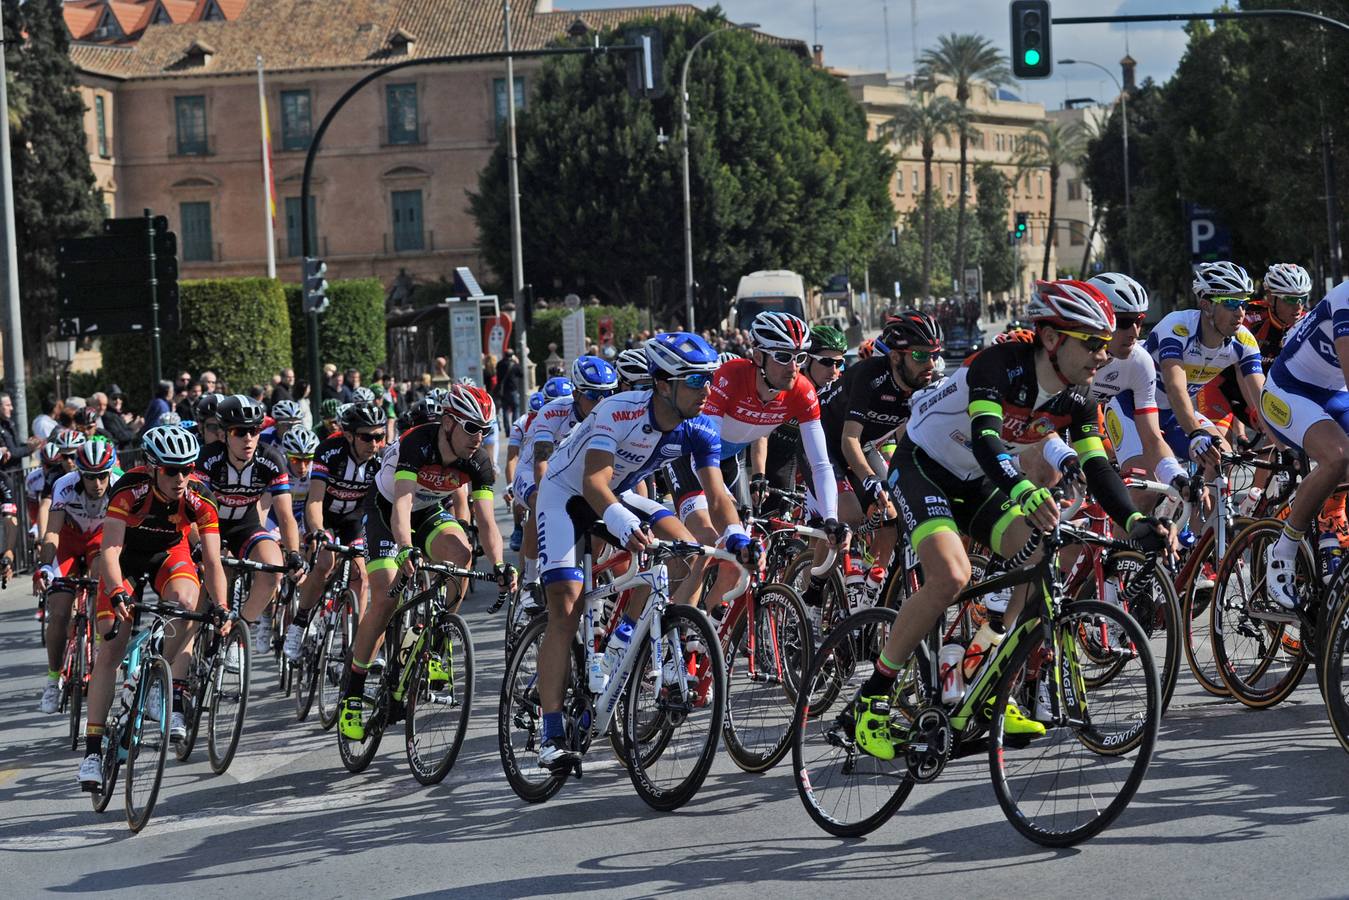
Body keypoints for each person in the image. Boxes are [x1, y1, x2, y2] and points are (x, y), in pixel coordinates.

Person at [858, 281, 1170, 758]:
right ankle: (872, 699)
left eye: (1107, 345)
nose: (1103, 356)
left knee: (1044, 557)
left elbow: (1098, 468)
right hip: (922, 464)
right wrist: (1024, 492)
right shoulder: (1000, 365)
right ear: (1052, 339)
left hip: (976, 480)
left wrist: (1134, 525)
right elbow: (986, 439)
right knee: (952, 576)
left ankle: (986, 686)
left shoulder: (1080, 398)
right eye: (1092, 343)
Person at [531, 333, 755, 770]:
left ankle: (623, 638)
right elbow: (593, 483)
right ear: (662, 383)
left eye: (709, 380)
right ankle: (551, 731)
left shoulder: (700, 424)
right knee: (567, 608)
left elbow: (716, 492)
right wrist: (622, 523)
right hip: (565, 493)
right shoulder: (619, 410)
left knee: (693, 553)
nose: (706, 391)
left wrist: (736, 536)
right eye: (695, 381)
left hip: (616, 494)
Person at [336, 385, 516, 739]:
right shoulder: (418, 443)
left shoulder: (477, 461)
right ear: (448, 422)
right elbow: (401, 504)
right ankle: (353, 693)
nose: (478, 437)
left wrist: (498, 564)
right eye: (470, 427)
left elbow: (487, 521)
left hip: (429, 512)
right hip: (387, 512)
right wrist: (404, 548)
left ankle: (437, 641)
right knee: (387, 597)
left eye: (485, 429)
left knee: (462, 555)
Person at [78, 425, 229, 788]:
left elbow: (212, 562)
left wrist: (222, 605)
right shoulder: (129, 489)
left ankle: (151, 673)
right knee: (110, 649)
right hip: (125, 558)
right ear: (151, 467)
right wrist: (116, 592)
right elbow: (110, 550)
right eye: (171, 470)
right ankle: (93, 752)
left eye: (187, 468)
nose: (180, 478)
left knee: (190, 603)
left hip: (167, 556)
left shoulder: (200, 498)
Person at [1259, 278, 1349, 613]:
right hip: (1289, 390)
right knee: (1338, 455)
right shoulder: (1346, 298)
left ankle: (1330, 529)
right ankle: (1283, 548)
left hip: (1335, 395)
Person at [195, 395, 303, 655]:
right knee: (209, 578)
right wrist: (197, 544)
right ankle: (192, 639)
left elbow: (286, 515)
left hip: (246, 525)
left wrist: (294, 554)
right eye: (239, 432)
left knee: (274, 569)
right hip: (211, 527)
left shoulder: (271, 459)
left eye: (254, 431)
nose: (248, 439)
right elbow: (193, 510)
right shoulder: (208, 459)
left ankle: (237, 634)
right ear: (224, 434)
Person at [282, 402, 386, 660]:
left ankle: (353, 643)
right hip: (324, 515)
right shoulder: (330, 451)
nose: (374, 443)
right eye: (366, 437)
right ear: (349, 435)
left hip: (353, 519)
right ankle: (300, 621)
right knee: (325, 561)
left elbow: (383, 506)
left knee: (361, 576)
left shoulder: (381, 461)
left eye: (379, 436)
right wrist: (317, 531)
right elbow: (315, 499)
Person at [34, 437, 119, 714]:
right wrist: (45, 565)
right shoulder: (65, 485)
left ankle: (96, 647)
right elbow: (53, 531)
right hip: (69, 540)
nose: (97, 484)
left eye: (102, 476)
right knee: (58, 613)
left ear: (110, 472)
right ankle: (52, 679)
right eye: (90, 477)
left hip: (99, 540)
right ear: (80, 474)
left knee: (99, 577)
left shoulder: (119, 485)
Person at [496, 348, 523, 427]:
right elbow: (521, 374)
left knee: (505, 410)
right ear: (512, 355)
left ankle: (507, 430)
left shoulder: (500, 364)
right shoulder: (514, 365)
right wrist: (517, 362)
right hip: (513, 389)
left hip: (503, 390)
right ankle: (515, 427)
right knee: (515, 408)